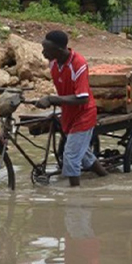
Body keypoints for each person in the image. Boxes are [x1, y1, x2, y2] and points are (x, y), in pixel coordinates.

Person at [36, 30, 108, 186]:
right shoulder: (54, 62)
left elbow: (83, 98)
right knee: (83, 154)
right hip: (68, 112)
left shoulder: (78, 64)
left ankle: (74, 196)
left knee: (70, 156)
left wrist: (51, 99)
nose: (43, 52)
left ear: (59, 50)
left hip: (84, 114)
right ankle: (105, 177)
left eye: (46, 49)